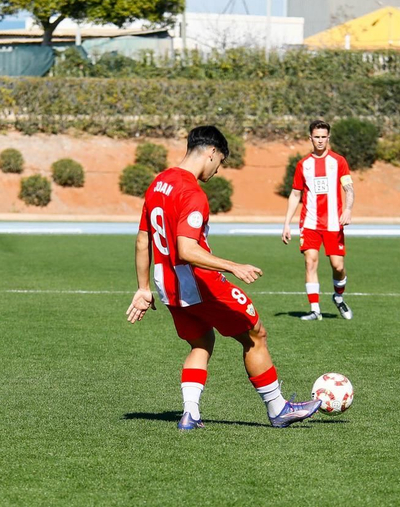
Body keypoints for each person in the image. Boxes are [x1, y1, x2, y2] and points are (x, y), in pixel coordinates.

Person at [127, 125, 321, 430]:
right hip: (199, 284)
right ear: (211, 152)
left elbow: (142, 240)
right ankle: (278, 409)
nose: (218, 169)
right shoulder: (192, 193)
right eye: (220, 162)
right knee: (255, 334)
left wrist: (143, 289)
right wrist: (233, 266)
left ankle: (190, 414)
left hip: (167, 286)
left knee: (201, 341)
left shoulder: (159, 183)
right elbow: (187, 249)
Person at [280, 119, 354, 320]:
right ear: (310, 138)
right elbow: (295, 194)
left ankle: (338, 298)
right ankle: (315, 310)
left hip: (333, 223)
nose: (320, 141)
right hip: (310, 223)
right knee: (310, 262)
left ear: (328, 138)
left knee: (338, 266)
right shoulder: (303, 165)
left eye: (324, 137)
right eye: (316, 137)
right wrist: (287, 223)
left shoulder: (338, 161)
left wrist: (348, 209)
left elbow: (348, 188)